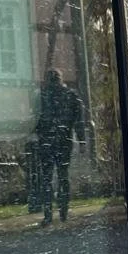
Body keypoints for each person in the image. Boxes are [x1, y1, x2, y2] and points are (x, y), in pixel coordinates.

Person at [34, 68, 85, 225]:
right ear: (61, 79)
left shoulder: (43, 96)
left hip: (48, 142)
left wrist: (37, 136)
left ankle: (49, 215)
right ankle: (63, 211)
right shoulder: (70, 96)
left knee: (47, 178)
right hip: (63, 141)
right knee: (62, 176)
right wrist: (82, 141)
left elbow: (36, 119)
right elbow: (79, 121)